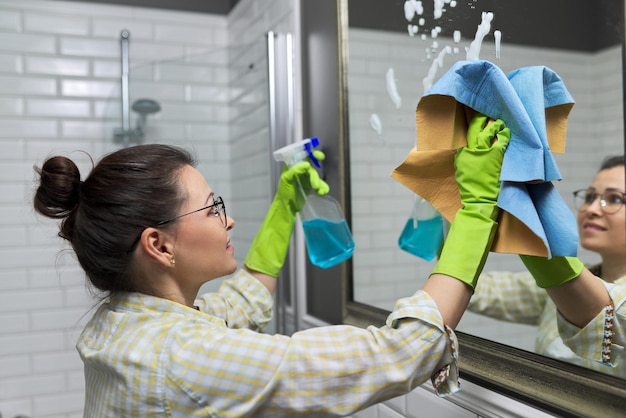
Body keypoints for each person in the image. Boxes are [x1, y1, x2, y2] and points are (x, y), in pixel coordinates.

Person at [33, 114, 508, 417]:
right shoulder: (184, 356)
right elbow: (399, 355)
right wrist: (477, 208)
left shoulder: (124, 323)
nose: (229, 218)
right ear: (159, 245)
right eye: (212, 207)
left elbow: (238, 304)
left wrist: (287, 206)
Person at [468, 155, 626, 377]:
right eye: (590, 197)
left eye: (615, 199)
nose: (592, 208)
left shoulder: (567, 286)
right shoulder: (557, 289)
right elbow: (477, 290)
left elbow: (606, 311)